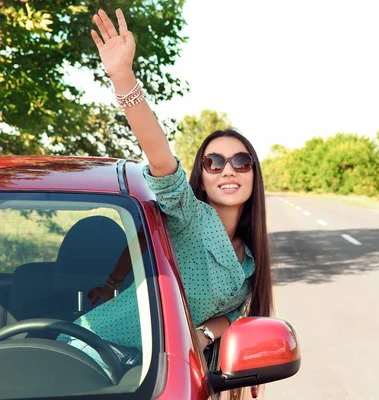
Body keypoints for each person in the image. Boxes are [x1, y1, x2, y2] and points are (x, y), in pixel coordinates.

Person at [58, 8, 273, 382]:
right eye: (213, 161)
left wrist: (205, 334)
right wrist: (123, 77)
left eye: (241, 161)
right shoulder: (190, 216)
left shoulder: (251, 260)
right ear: (200, 178)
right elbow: (158, 154)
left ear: (254, 174)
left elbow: (235, 315)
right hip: (91, 351)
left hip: (157, 374)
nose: (227, 169)